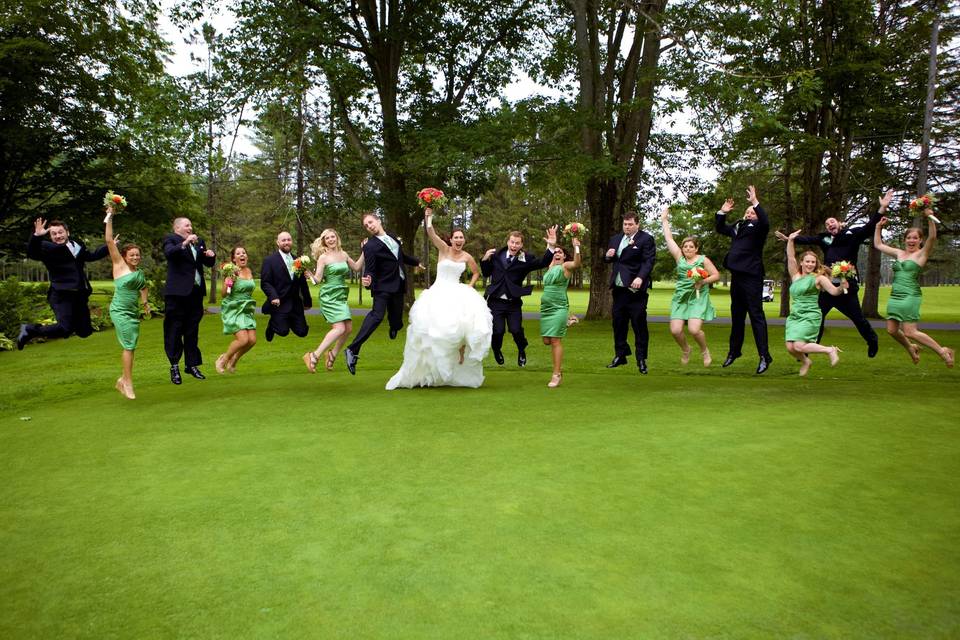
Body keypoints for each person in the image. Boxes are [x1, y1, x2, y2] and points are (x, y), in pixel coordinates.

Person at [386, 208, 492, 389]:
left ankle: (460, 354)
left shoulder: (467, 256)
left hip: (458, 293)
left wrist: (470, 286)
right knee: (434, 331)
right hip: (438, 293)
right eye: (456, 237)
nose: (459, 240)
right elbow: (430, 232)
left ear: (464, 240)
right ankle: (432, 369)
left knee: (463, 326)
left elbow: (476, 273)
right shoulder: (444, 249)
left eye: (461, 237)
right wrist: (428, 217)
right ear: (451, 239)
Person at [777, 190, 892, 357]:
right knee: (818, 316)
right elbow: (808, 239)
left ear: (839, 223)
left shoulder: (853, 235)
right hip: (827, 286)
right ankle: (808, 347)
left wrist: (881, 208)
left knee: (858, 318)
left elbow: (869, 226)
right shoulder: (825, 239)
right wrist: (790, 239)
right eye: (827, 224)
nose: (829, 225)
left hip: (846, 287)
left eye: (832, 222)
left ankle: (872, 340)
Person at [343, 212, 422, 375]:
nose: (369, 226)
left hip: (399, 285)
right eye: (366, 225)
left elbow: (400, 256)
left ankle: (394, 326)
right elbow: (370, 268)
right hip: (382, 287)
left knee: (397, 320)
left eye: (371, 222)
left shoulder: (393, 237)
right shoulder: (370, 246)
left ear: (378, 221)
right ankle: (352, 349)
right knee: (377, 316)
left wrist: (416, 262)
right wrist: (367, 280)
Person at [873, 210, 954, 368]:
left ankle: (943, 351)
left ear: (920, 240)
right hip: (895, 295)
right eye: (909, 237)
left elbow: (933, 237)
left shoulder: (921, 254)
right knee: (891, 330)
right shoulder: (899, 253)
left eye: (915, 238)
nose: (911, 240)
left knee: (910, 331)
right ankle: (911, 347)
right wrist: (878, 227)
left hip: (910, 295)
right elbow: (878, 244)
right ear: (905, 240)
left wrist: (929, 217)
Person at [17, 218, 109, 350]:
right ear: (50, 236)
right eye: (54, 234)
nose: (58, 236)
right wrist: (37, 236)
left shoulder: (77, 245)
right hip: (61, 294)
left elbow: (91, 256)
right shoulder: (47, 248)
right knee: (65, 329)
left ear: (67, 232)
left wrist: (109, 246)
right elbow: (32, 253)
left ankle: (64, 328)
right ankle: (29, 330)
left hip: (79, 295)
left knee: (85, 332)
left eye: (60, 232)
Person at [715, 185, 773, 374]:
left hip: (752, 276)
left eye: (752, 212)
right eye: (747, 212)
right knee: (737, 315)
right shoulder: (738, 227)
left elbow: (765, 222)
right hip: (737, 276)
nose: (748, 214)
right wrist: (722, 212)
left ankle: (764, 355)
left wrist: (755, 202)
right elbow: (720, 228)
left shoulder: (758, 228)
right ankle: (734, 351)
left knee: (756, 315)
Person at [480, 228, 557, 367]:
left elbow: (543, 262)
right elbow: (486, 273)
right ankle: (496, 350)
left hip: (513, 302)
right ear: (508, 242)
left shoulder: (526, 259)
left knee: (516, 330)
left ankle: (521, 350)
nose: (514, 245)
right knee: (497, 331)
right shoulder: (496, 255)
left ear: (521, 245)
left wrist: (551, 246)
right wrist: (485, 259)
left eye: (517, 243)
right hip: (495, 301)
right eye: (512, 242)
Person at [661, 206, 720, 367]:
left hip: (698, 296)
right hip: (681, 297)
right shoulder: (679, 258)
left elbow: (716, 275)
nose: (687, 249)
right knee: (675, 330)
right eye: (685, 246)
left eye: (691, 247)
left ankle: (704, 351)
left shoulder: (703, 260)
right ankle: (686, 349)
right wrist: (664, 220)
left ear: (696, 248)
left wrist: (703, 281)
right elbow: (669, 239)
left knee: (694, 330)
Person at [784, 231, 847, 376]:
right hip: (795, 315)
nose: (810, 264)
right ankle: (806, 362)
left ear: (816, 263)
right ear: (802, 262)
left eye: (813, 262)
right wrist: (791, 240)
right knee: (790, 347)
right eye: (807, 261)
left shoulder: (819, 278)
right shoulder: (795, 276)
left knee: (799, 346)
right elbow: (790, 257)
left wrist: (842, 286)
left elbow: (834, 292)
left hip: (810, 315)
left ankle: (830, 350)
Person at [302, 229, 364, 373]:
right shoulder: (323, 257)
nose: (331, 240)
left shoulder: (344, 254)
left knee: (348, 329)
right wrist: (310, 275)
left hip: (341, 295)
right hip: (329, 296)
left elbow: (356, 267)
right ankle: (313, 356)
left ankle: (332, 354)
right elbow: (317, 279)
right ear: (324, 241)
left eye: (333, 237)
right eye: (327, 238)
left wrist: (364, 251)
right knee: (339, 328)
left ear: (337, 238)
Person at [162, 217, 216, 384]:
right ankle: (174, 366)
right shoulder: (170, 239)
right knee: (174, 330)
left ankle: (191, 365)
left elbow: (206, 263)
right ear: (177, 227)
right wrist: (185, 242)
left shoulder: (198, 242)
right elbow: (170, 254)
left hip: (195, 294)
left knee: (192, 330)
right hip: (177, 294)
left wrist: (211, 256)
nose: (190, 228)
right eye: (187, 225)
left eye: (191, 225)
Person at [104, 207, 149, 398]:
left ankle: (123, 380)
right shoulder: (119, 265)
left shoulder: (139, 273)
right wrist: (110, 216)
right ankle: (127, 382)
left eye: (137, 255)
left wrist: (145, 303)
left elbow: (144, 286)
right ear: (124, 256)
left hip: (132, 312)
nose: (135, 257)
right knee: (128, 346)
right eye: (132, 255)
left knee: (131, 345)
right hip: (120, 310)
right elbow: (108, 240)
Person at [604, 210, 656, 374]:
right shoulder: (615, 239)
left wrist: (641, 277)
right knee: (618, 323)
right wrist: (607, 255)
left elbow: (648, 261)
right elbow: (609, 260)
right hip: (619, 289)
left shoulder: (646, 239)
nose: (627, 227)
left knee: (638, 324)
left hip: (636, 290)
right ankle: (621, 355)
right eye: (625, 224)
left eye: (630, 224)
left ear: (637, 224)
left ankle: (641, 359)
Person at [539, 237, 582, 388]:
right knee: (546, 341)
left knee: (555, 341)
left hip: (558, 307)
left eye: (560, 252)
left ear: (564, 256)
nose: (557, 253)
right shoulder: (550, 267)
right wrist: (550, 244)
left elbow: (577, 263)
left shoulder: (566, 266)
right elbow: (548, 254)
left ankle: (556, 374)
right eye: (555, 252)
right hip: (546, 309)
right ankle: (568, 321)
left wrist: (576, 247)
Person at [260, 231, 313, 342]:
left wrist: (307, 301)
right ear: (278, 242)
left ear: (291, 241)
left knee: (302, 332)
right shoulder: (269, 261)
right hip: (280, 302)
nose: (286, 242)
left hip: (295, 303)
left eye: (288, 240)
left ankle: (286, 321)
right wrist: (273, 296)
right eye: (283, 240)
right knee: (283, 331)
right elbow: (265, 283)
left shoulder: (298, 261)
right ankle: (272, 325)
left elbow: (302, 283)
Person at [216, 247, 257, 374]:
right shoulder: (231, 272)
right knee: (243, 340)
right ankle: (223, 359)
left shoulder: (249, 271)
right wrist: (228, 283)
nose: (242, 255)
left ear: (247, 256)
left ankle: (234, 360)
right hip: (234, 308)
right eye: (238, 254)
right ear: (234, 259)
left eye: (244, 253)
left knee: (252, 341)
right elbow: (223, 294)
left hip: (246, 308)